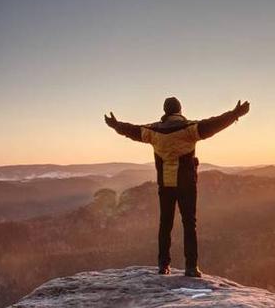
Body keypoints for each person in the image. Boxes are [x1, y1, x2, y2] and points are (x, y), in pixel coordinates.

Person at [104, 97, 250, 277]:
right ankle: (191, 267)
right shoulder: (190, 129)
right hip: (186, 184)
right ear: (180, 110)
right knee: (189, 224)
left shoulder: (152, 131)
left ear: (165, 111)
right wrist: (235, 114)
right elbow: (214, 124)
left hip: (165, 184)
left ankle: (163, 265)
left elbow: (132, 131)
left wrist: (115, 125)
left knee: (165, 224)